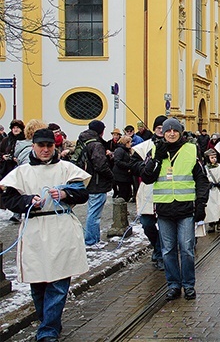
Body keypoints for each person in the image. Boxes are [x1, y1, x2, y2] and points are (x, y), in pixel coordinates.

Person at [0, 128, 91, 342]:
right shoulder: (22, 172)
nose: (46, 150)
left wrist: (65, 193)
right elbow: (9, 200)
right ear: (34, 146)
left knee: (58, 281)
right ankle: (48, 321)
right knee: (38, 282)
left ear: (55, 146)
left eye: (49, 145)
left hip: (61, 227)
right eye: (41, 146)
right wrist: (27, 201)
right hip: (34, 230)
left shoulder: (67, 168)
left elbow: (83, 193)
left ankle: (48, 329)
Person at [140, 117, 209, 301]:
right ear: (164, 133)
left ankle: (188, 285)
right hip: (164, 209)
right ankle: (173, 285)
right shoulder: (155, 150)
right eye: (168, 131)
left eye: (175, 131)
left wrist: (201, 203)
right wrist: (156, 160)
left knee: (186, 248)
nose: (171, 133)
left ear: (180, 132)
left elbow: (202, 179)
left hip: (186, 207)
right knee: (168, 250)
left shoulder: (191, 149)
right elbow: (147, 177)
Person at [130, 115, 168, 270]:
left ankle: (160, 253)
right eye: (159, 128)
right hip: (147, 191)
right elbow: (133, 166)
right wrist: (146, 165)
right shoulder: (143, 147)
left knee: (165, 226)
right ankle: (157, 246)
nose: (161, 131)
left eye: (164, 128)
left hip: (167, 192)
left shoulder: (174, 146)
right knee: (147, 225)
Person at [77, 119, 114, 249]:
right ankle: (92, 240)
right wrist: (111, 175)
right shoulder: (96, 144)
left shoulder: (83, 140)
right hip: (97, 183)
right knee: (94, 214)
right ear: (101, 131)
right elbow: (100, 165)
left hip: (88, 181)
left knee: (92, 212)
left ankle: (94, 239)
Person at [203, 148, 220, 233]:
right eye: (212, 157)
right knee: (209, 208)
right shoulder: (205, 169)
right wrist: (207, 184)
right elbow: (202, 179)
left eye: (215, 157)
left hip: (218, 190)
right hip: (209, 191)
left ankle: (219, 222)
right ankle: (211, 224)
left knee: (219, 206)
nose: (214, 159)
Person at [112, 135, 134, 202]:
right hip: (120, 175)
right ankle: (121, 208)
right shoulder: (120, 150)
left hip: (125, 175)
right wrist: (129, 165)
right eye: (130, 142)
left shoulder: (126, 150)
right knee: (123, 192)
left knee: (127, 192)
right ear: (126, 143)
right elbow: (117, 161)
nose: (131, 144)